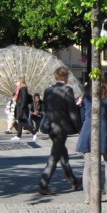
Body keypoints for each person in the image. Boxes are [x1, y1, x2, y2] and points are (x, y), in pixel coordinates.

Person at [38, 66, 82, 196]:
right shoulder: (67, 90)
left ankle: (74, 180)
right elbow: (72, 112)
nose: (68, 79)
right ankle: (43, 184)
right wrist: (80, 129)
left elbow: (45, 110)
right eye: (67, 76)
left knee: (63, 155)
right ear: (64, 77)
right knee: (54, 157)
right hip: (60, 128)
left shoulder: (48, 91)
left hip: (50, 127)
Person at [76, 78, 107, 202]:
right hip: (103, 130)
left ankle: (88, 196)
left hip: (87, 131)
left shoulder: (86, 98)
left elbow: (82, 116)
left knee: (87, 165)